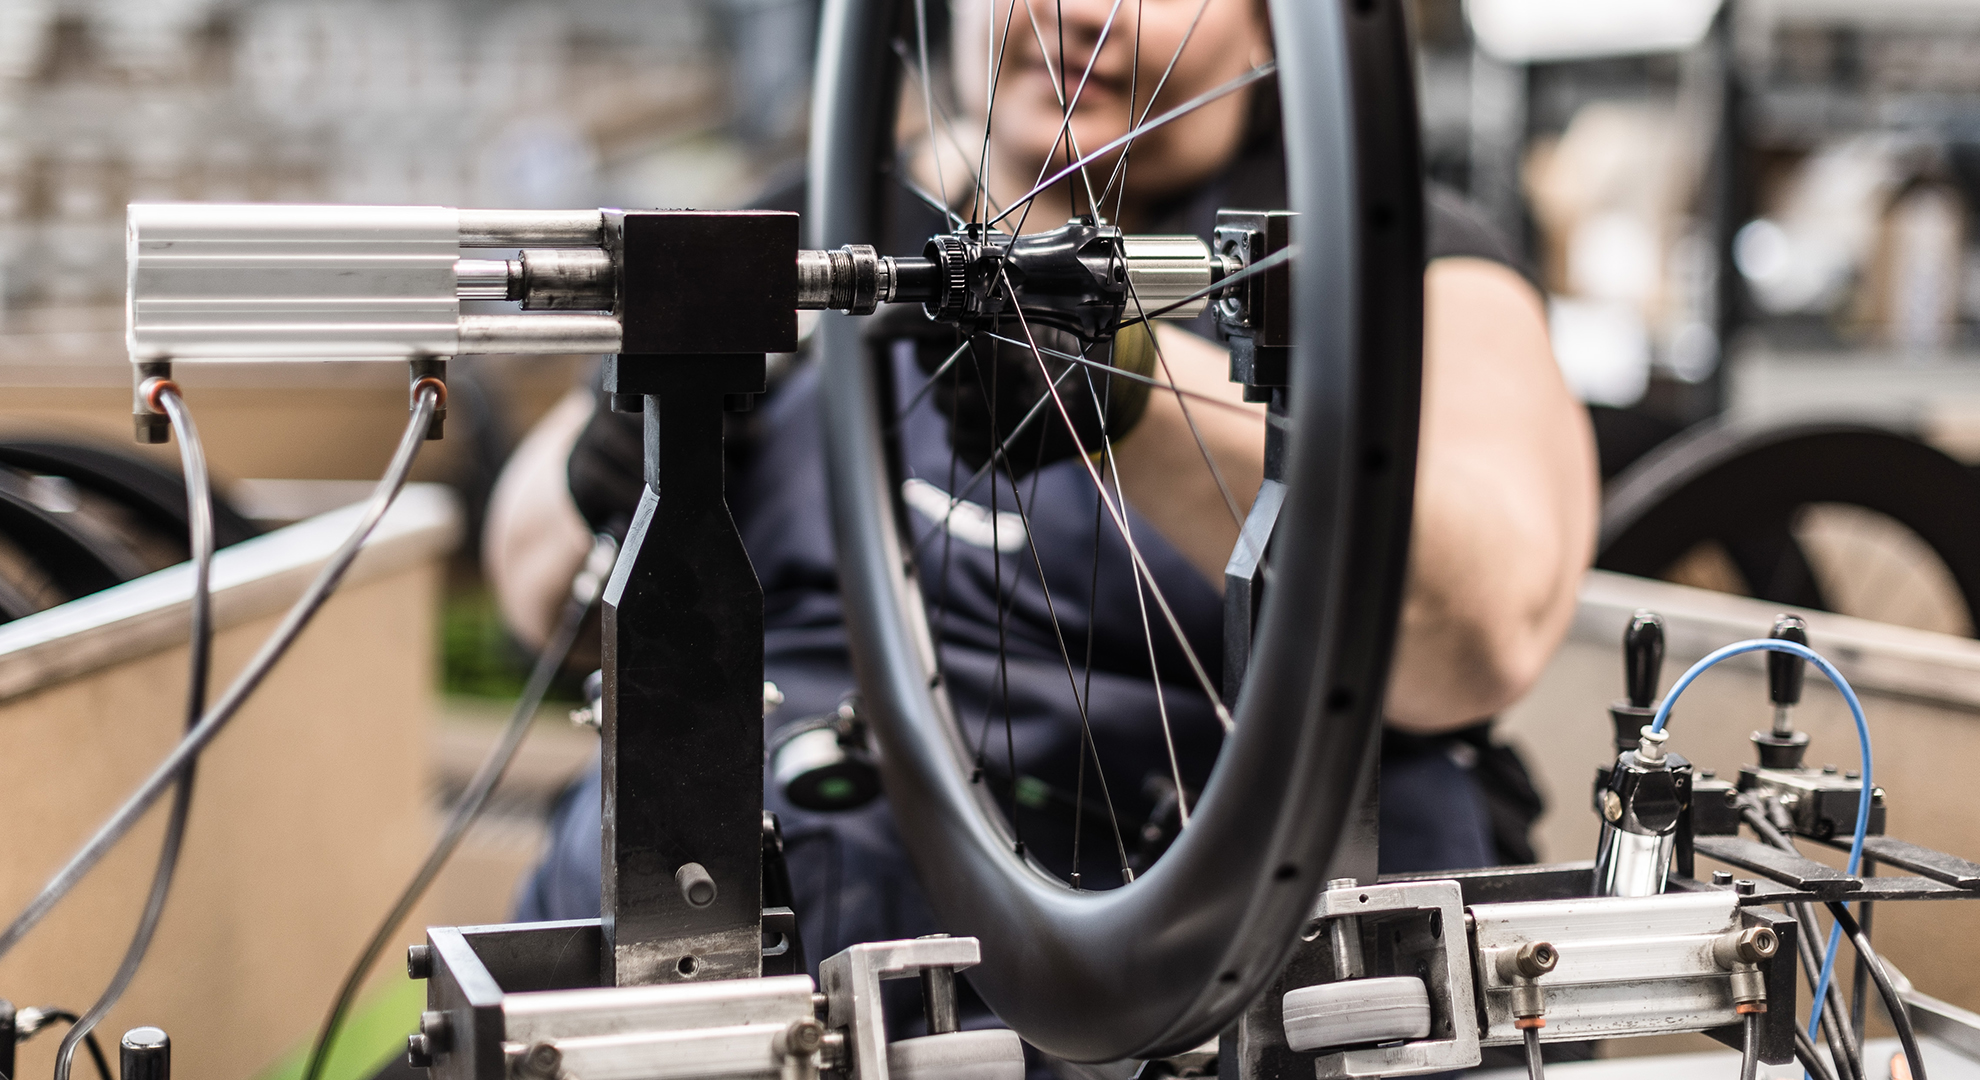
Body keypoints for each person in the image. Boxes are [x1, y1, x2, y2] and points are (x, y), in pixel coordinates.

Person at [482, 0, 1597, 1047]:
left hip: (1199, 973)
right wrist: (619, 438)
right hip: (764, 928)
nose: (1071, 9)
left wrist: (1129, 386)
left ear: (1273, 23)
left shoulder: (1403, 259)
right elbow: (535, 587)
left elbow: (1481, 629)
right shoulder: (817, 219)